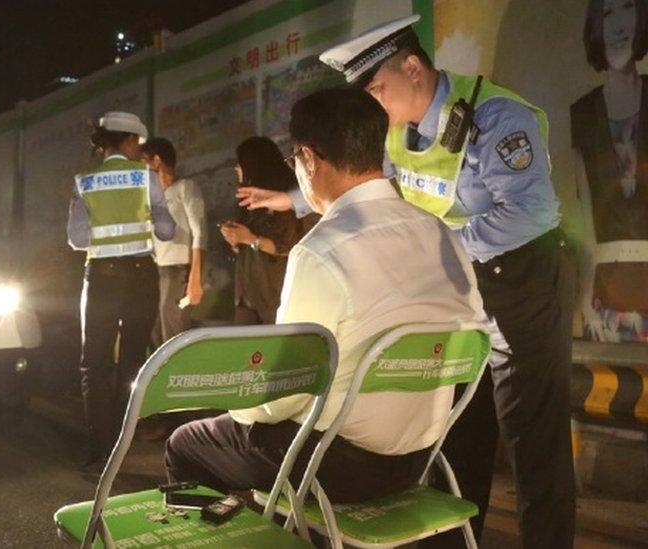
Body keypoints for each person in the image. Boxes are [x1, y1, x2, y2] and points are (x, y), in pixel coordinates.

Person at [236, 15, 574, 547]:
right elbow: (369, 177)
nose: (372, 105)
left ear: (413, 67)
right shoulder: (400, 132)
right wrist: (294, 198)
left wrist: (440, 245)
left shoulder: (496, 117)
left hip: (519, 285)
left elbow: (534, 211)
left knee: (534, 441)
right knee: (459, 434)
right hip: (458, 289)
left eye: (375, 88)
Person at [165, 88, 487, 507]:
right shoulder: (441, 232)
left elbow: (286, 392)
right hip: (422, 458)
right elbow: (474, 335)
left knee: (186, 442)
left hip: (336, 464)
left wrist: (239, 407)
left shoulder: (322, 250)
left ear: (309, 160)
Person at [67, 111, 175, 469]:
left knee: (94, 363)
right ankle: (124, 441)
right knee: (132, 359)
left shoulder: (84, 181)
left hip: (101, 277)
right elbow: (166, 231)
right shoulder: (146, 177)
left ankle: (99, 446)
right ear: (129, 141)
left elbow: (77, 238)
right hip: (141, 276)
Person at [572, 0, 648, 343]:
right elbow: (586, 225)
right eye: (607, 14)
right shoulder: (582, 114)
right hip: (610, 297)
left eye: (627, 8)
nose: (618, 25)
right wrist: (584, 304)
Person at [220, 137, 300, 326]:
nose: (236, 168)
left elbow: (288, 246)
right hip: (246, 295)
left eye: (240, 163)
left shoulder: (286, 200)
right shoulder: (247, 199)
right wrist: (235, 239)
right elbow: (245, 244)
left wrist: (250, 239)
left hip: (272, 293)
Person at [140, 137, 207, 344]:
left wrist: (195, 278)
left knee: (174, 336)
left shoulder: (185, 187)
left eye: (144, 162)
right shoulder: (150, 198)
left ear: (156, 160)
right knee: (156, 335)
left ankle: (182, 376)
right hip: (156, 272)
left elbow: (200, 233)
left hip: (179, 272)